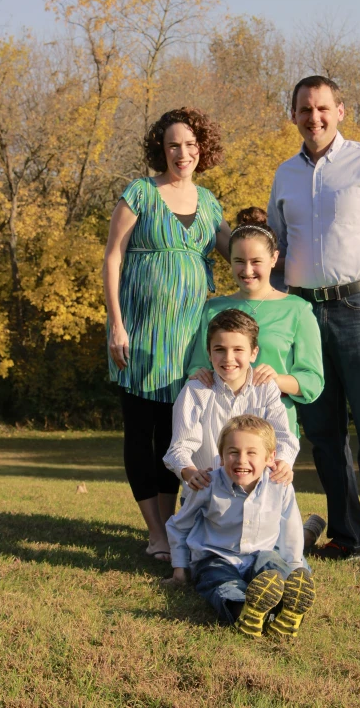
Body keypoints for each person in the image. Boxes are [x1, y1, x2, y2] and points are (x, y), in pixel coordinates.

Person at [267, 75, 360, 573]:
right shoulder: (284, 175)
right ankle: (346, 535)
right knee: (323, 434)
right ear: (293, 116)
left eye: (323, 108)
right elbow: (276, 254)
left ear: (340, 110)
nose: (315, 117)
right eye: (305, 109)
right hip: (303, 314)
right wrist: (277, 315)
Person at [103, 107, 230, 562]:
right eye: (174, 144)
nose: (183, 153)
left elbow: (240, 250)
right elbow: (113, 257)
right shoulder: (140, 193)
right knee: (141, 433)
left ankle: (174, 524)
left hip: (188, 344)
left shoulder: (210, 203)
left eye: (192, 145)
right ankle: (156, 532)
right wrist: (117, 324)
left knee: (177, 436)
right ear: (161, 147)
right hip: (139, 334)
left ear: (203, 150)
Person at [165, 415, 316, 638]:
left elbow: (291, 532)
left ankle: (289, 611)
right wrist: (180, 569)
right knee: (221, 582)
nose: (241, 460)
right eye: (233, 452)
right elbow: (180, 526)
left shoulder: (279, 485)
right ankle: (244, 612)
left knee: (275, 568)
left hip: (262, 553)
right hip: (217, 557)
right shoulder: (208, 484)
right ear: (222, 457)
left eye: (251, 453)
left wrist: (294, 568)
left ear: (270, 457)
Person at [187, 207, 324, 440]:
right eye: (239, 261)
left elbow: (312, 381)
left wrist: (276, 379)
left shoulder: (297, 309)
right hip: (221, 426)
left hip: (274, 427)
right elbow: (197, 366)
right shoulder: (213, 308)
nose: (247, 270)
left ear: (273, 259)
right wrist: (198, 374)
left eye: (256, 261)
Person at [163, 308, 300, 496]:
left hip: (257, 495)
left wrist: (283, 463)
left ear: (253, 353)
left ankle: (305, 527)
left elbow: (283, 437)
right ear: (209, 354)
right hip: (208, 494)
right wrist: (191, 473)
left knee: (282, 503)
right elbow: (180, 448)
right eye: (219, 350)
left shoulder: (266, 388)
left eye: (238, 350)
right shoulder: (195, 390)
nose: (228, 358)